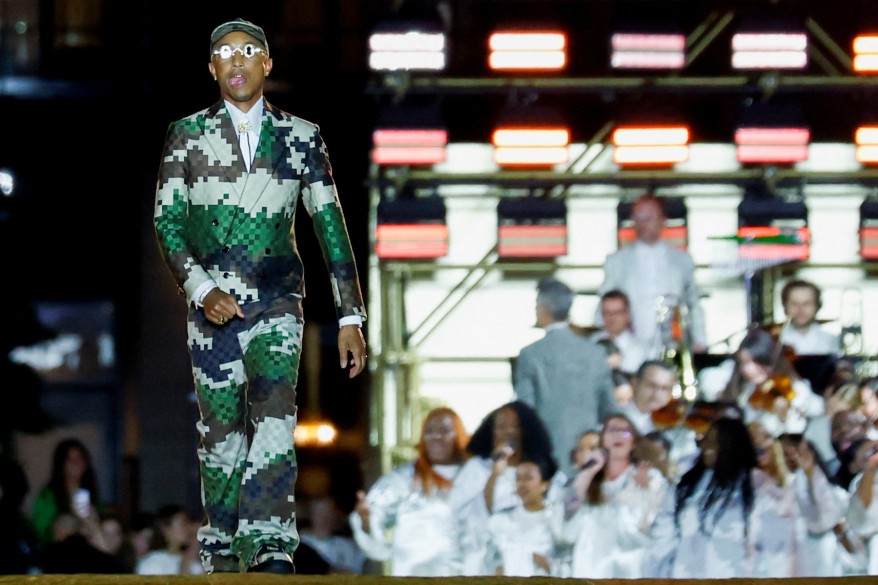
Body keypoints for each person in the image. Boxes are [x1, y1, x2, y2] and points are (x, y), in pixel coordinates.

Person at [153, 18, 368, 575]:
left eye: (250, 51)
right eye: (226, 53)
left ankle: (271, 543)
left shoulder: (300, 136)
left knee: (274, 418)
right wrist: (201, 290)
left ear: (268, 63)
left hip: (277, 301)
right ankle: (223, 545)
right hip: (211, 307)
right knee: (220, 433)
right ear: (212, 68)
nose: (238, 60)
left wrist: (350, 315)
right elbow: (167, 223)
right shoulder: (186, 134)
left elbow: (330, 224)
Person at [644, 417, 789, 578]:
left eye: (716, 440)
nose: (708, 446)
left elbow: (775, 549)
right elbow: (662, 540)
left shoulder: (760, 486)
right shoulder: (686, 486)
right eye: (706, 439)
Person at [349, 407, 485, 576]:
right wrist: (367, 521)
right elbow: (374, 512)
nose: (436, 437)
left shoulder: (479, 475)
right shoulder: (405, 478)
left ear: (459, 435)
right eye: (429, 431)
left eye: (444, 431)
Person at [514, 276, 617, 476]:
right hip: (587, 453)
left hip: (546, 454)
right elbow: (609, 407)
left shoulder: (531, 355)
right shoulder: (595, 353)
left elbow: (525, 411)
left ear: (542, 308)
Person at [596, 194, 707, 356]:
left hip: (673, 343)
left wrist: (700, 339)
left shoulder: (682, 260)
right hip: (630, 345)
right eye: (637, 217)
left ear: (663, 220)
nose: (642, 223)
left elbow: (693, 302)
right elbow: (605, 302)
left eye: (647, 217)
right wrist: (602, 338)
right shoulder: (616, 262)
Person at [562, 413, 668, 579]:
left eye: (625, 431)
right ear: (602, 440)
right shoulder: (589, 481)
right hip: (590, 569)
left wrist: (648, 491)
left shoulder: (648, 477)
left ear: (633, 441)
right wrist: (587, 472)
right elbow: (567, 524)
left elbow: (655, 527)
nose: (618, 435)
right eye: (612, 431)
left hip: (631, 570)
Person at [483, 454, 563, 577]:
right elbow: (489, 559)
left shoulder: (557, 519)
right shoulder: (501, 520)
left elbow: (567, 562)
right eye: (518, 478)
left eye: (528, 478)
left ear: (545, 484)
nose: (521, 484)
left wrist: (549, 566)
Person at [30, 438, 102, 550]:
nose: (76, 463)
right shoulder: (49, 495)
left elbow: (99, 521)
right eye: (70, 459)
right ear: (61, 464)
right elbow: (41, 529)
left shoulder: (91, 493)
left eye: (80, 458)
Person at [590, 290, 650, 377]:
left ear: (627, 314)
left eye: (617, 313)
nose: (612, 318)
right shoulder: (592, 345)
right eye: (607, 313)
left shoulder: (642, 350)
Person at [136, 504, 204, 575]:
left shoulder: (193, 563)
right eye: (184, 523)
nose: (189, 528)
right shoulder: (151, 563)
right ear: (166, 529)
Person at [779, 279, 840, 355]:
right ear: (785, 306)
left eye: (807, 303)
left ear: (817, 306)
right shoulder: (775, 341)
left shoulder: (830, 340)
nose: (800, 310)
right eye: (794, 304)